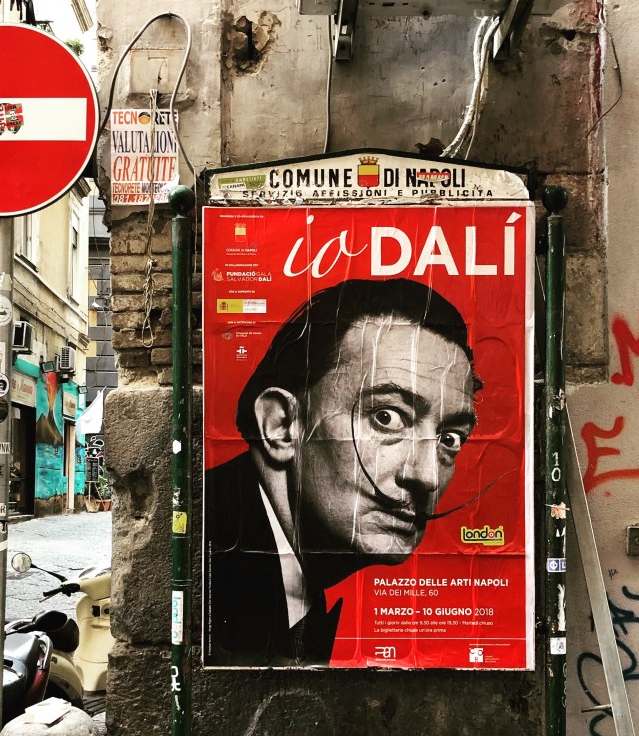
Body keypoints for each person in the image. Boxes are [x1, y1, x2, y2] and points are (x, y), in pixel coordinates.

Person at [204, 277, 482, 667]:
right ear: (281, 426)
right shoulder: (207, 562)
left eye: (450, 438)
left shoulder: (286, 575)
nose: (427, 477)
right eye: (386, 417)